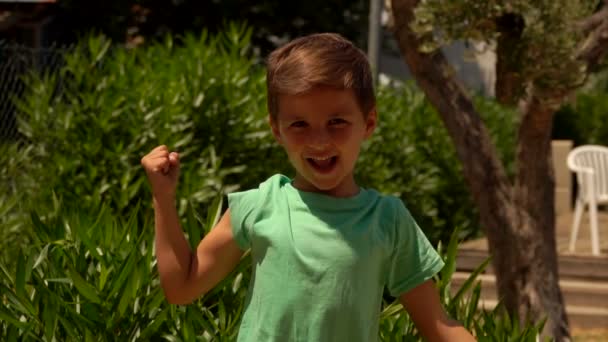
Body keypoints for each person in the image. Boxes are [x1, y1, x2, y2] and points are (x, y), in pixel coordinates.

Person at [141, 32, 476, 341]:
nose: (319, 140)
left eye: (337, 122)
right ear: (277, 130)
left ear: (368, 123)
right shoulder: (260, 206)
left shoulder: (388, 220)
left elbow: (439, 328)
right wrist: (163, 198)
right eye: (299, 124)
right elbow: (181, 288)